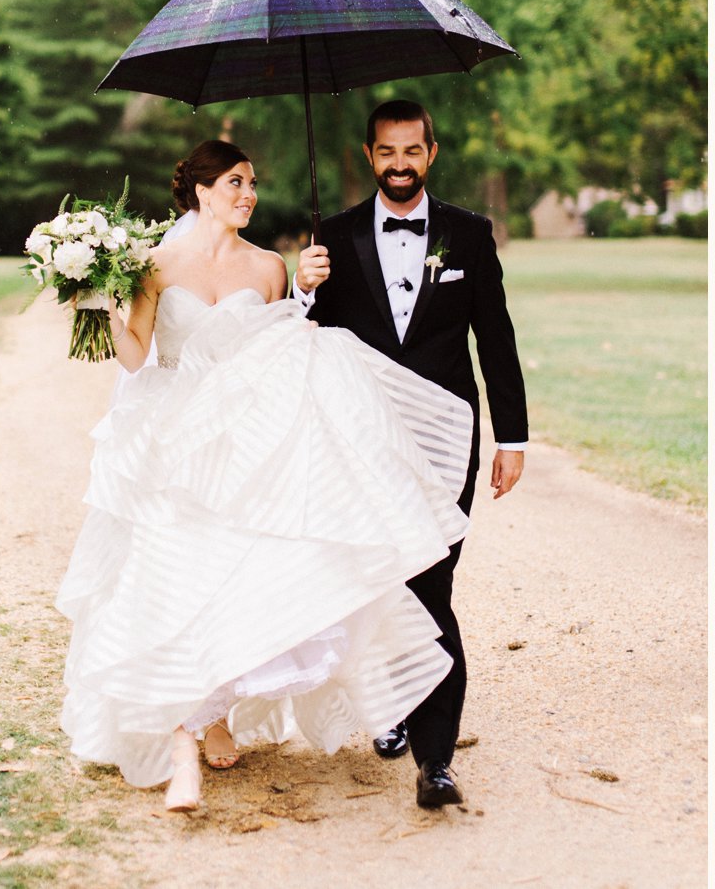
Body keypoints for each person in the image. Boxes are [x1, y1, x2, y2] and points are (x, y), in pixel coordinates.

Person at [57, 140, 473, 814]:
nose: (248, 194)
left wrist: (307, 292)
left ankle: (211, 710)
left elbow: (285, 349)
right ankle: (182, 742)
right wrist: (100, 304)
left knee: (236, 581)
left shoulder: (269, 266)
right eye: (234, 182)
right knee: (173, 582)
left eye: (252, 181)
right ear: (200, 191)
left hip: (246, 446)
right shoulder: (152, 265)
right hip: (177, 440)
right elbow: (135, 358)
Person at [294, 100, 529, 810]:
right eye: (386, 152)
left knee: (431, 582)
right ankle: (391, 702)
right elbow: (302, 344)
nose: (400, 164)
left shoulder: (469, 233)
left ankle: (435, 760)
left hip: (445, 434)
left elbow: (497, 338)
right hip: (360, 439)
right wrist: (302, 289)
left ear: (432, 151)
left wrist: (511, 437)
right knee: (375, 579)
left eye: (412, 151)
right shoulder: (330, 237)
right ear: (370, 155)